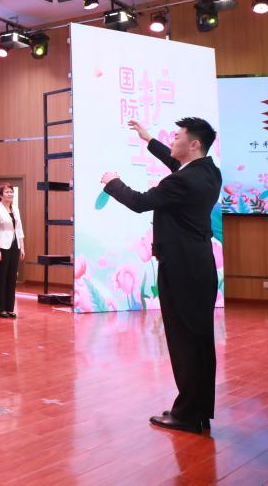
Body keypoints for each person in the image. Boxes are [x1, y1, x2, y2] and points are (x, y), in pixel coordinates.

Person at [103, 118, 221, 435]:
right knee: (198, 342)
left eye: (177, 136)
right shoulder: (208, 171)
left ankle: (187, 415)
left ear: (194, 144)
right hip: (198, 265)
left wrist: (113, 182)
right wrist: (148, 139)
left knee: (184, 343)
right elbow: (176, 164)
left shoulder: (183, 182)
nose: (173, 140)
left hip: (181, 268)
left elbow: (140, 202)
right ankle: (196, 411)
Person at [0, 183, 24, 319]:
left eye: (11, 192)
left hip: (15, 245)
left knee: (12, 278)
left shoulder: (15, 209)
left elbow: (19, 229)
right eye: (7, 192)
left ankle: (10, 308)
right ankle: (0, 308)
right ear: (0, 195)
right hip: (2, 246)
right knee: (1, 278)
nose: (10, 194)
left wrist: (22, 247)